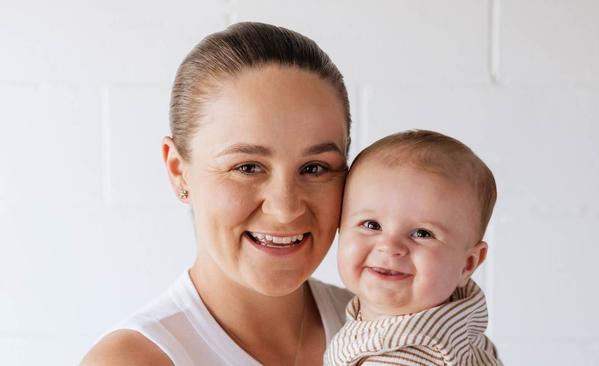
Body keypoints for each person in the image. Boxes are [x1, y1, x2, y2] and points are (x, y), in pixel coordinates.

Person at [82, 22, 354, 366]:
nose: (286, 209)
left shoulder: (395, 331)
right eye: (248, 167)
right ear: (179, 170)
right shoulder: (133, 360)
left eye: (314, 168)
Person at [324, 130, 502, 365]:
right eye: (371, 225)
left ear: (467, 264)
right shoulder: (459, 324)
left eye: (422, 233)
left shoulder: (404, 359)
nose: (389, 246)